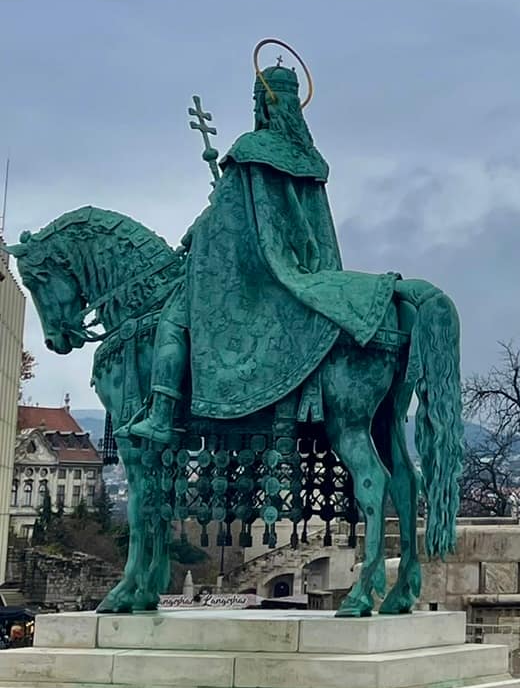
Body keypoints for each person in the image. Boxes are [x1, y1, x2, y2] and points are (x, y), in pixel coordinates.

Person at [126, 62, 400, 445]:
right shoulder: (311, 159)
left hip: (257, 271)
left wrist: (194, 234)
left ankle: (160, 415)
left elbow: (223, 221)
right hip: (308, 268)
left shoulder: (250, 149)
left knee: (174, 318)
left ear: (265, 104)